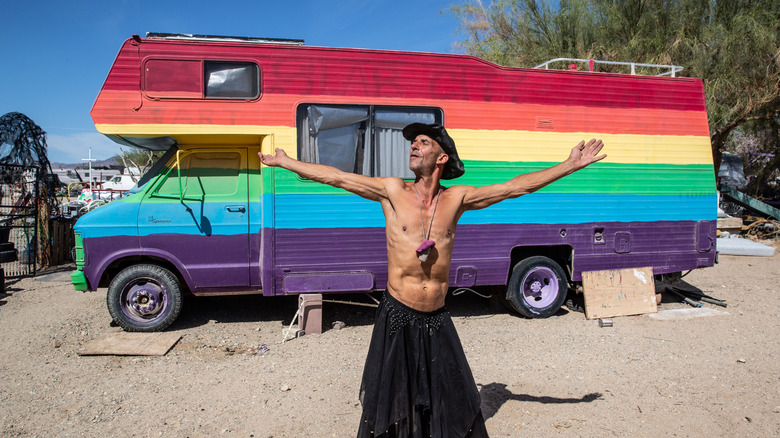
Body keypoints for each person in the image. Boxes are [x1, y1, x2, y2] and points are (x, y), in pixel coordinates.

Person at [259, 123, 606, 438]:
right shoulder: (392, 191)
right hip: (398, 314)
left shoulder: (457, 199)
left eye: (422, 143)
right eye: (412, 143)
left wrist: (569, 165)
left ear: (441, 157)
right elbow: (336, 177)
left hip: (437, 317)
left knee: (447, 394)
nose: (413, 147)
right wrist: (288, 162)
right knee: (394, 398)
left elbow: (514, 187)